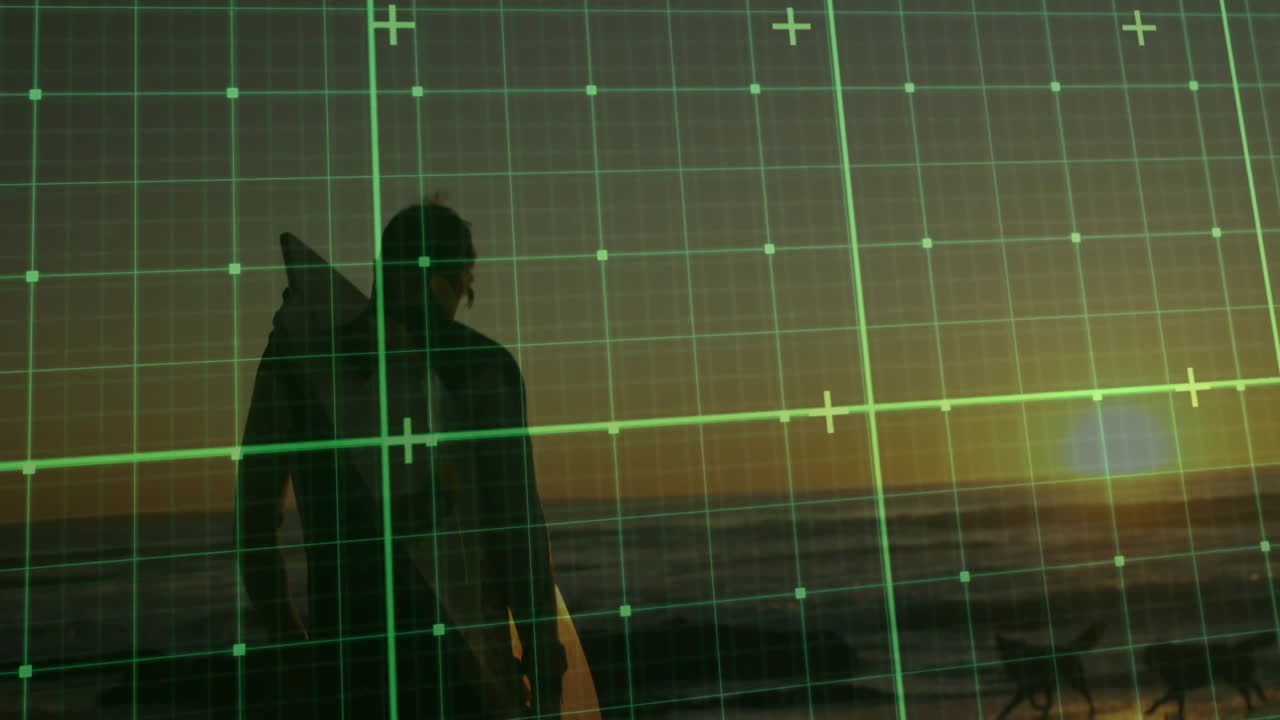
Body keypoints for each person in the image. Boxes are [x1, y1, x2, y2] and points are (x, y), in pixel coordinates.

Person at [235, 197, 567, 719]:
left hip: (346, 675)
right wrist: (545, 662)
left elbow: (252, 523)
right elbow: (516, 533)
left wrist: (292, 647)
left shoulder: (294, 368)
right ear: (455, 281)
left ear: (379, 269)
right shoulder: (484, 370)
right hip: (465, 680)